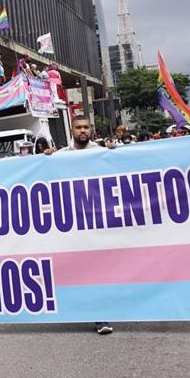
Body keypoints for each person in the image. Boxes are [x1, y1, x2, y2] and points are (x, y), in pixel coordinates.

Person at [54, 117, 112, 334]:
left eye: (86, 127)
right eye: (78, 127)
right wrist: (46, 157)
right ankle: (92, 313)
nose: (83, 131)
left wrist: (114, 152)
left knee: (99, 268)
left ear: (91, 130)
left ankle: (101, 316)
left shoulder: (102, 152)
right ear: (72, 130)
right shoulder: (61, 156)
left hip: (98, 220)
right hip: (73, 223)